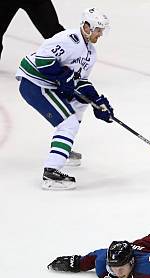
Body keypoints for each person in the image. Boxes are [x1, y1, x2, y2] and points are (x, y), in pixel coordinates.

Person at [15, 7, 112, 190]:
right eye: (98, 29)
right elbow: (42, 61)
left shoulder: (91, 53)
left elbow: (80, 82)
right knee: (69, 123)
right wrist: (63, 75)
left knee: (79, 104)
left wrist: (97, 102)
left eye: (102, 30)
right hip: (34, 83)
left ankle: (62, 149)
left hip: (47, 84)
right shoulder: (67, 39)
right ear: (87, 26)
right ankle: (51, 173)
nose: (100, 34)